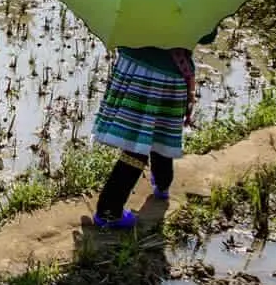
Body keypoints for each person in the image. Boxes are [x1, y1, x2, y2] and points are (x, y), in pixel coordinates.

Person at [90, 28, 218, 228]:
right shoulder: (186, 1)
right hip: (164, 78)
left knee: (142, 139)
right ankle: (109, 211)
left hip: (131, 69)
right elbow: (207, 35)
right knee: (156, 136)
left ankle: (161, 184)